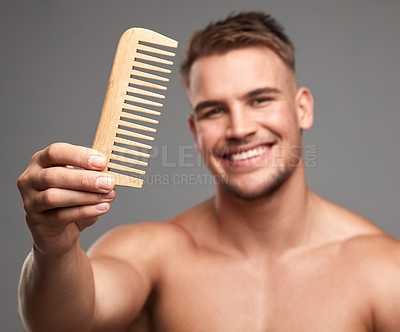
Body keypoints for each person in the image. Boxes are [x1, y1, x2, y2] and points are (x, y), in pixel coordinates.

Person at [17, 11, 400, 332]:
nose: (239, 129)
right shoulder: (154, 255)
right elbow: (62, 322)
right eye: (214, 110)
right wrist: (53, 248)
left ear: (303, 108)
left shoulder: (384, 271)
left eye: (260, 100)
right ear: (195, 131)